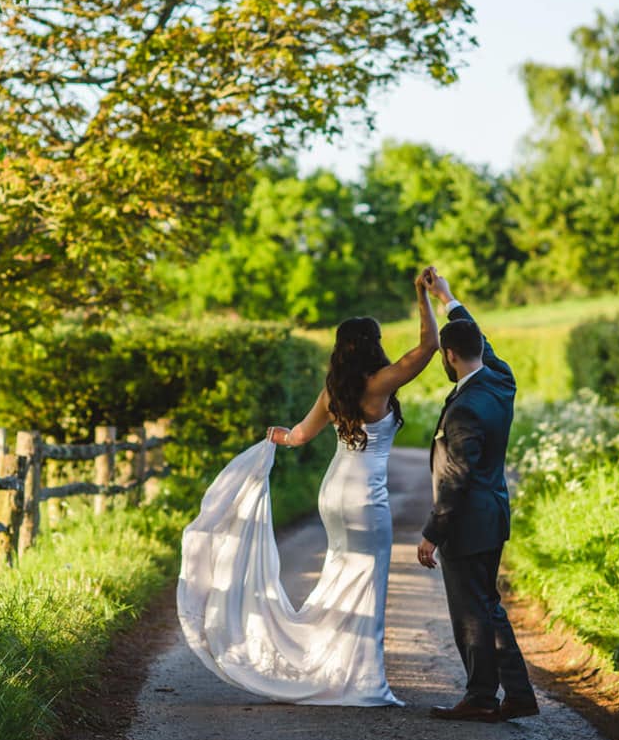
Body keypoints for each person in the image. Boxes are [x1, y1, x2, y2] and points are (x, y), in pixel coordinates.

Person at [175, 269, 441, 705]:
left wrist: (272, 436)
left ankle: (330, 666)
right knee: (367, 581)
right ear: (373, 345)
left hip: (332, 492)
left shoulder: (333, 390)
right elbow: (429, 346)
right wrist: (422, 294)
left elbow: (297, 436)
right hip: (364, 496)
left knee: (339, 577)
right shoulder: (380, 384)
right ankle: (362, 681)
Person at [415, 268, 539, 722]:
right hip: (494, 515)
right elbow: (477, 340)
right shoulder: (500, 380)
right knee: (487, 605)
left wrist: (431, 532)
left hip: (467, 523)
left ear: (448, 356)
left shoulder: (465, 407)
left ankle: (483, 695)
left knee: (471, 612)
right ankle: (515, 694)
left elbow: (456, 478)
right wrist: (446, 297)